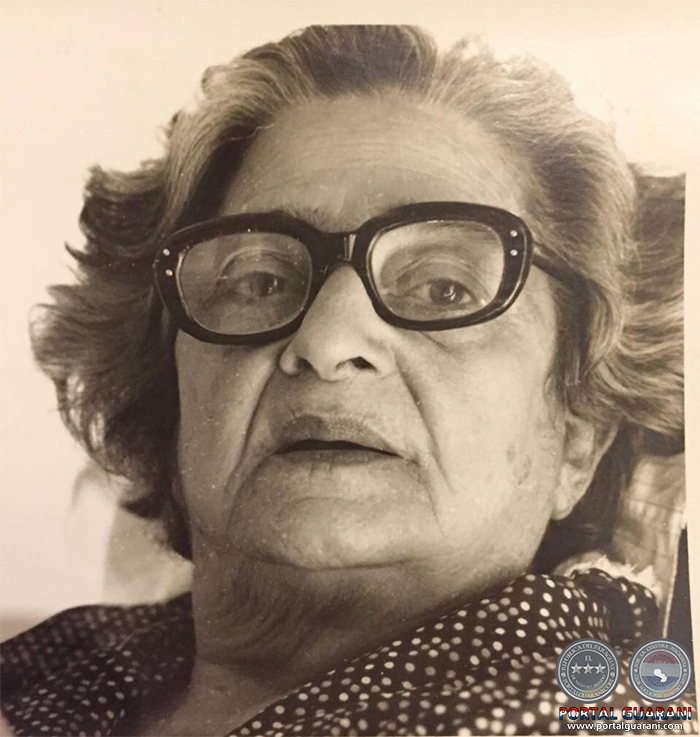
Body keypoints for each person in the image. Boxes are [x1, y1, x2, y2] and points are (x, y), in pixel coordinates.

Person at [0, 24, 691, 737]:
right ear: (169, 400)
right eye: (261, 280)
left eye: (445, 289)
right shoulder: (56, 666)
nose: (327, 343)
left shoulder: (608, 710)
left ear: (577, 440)